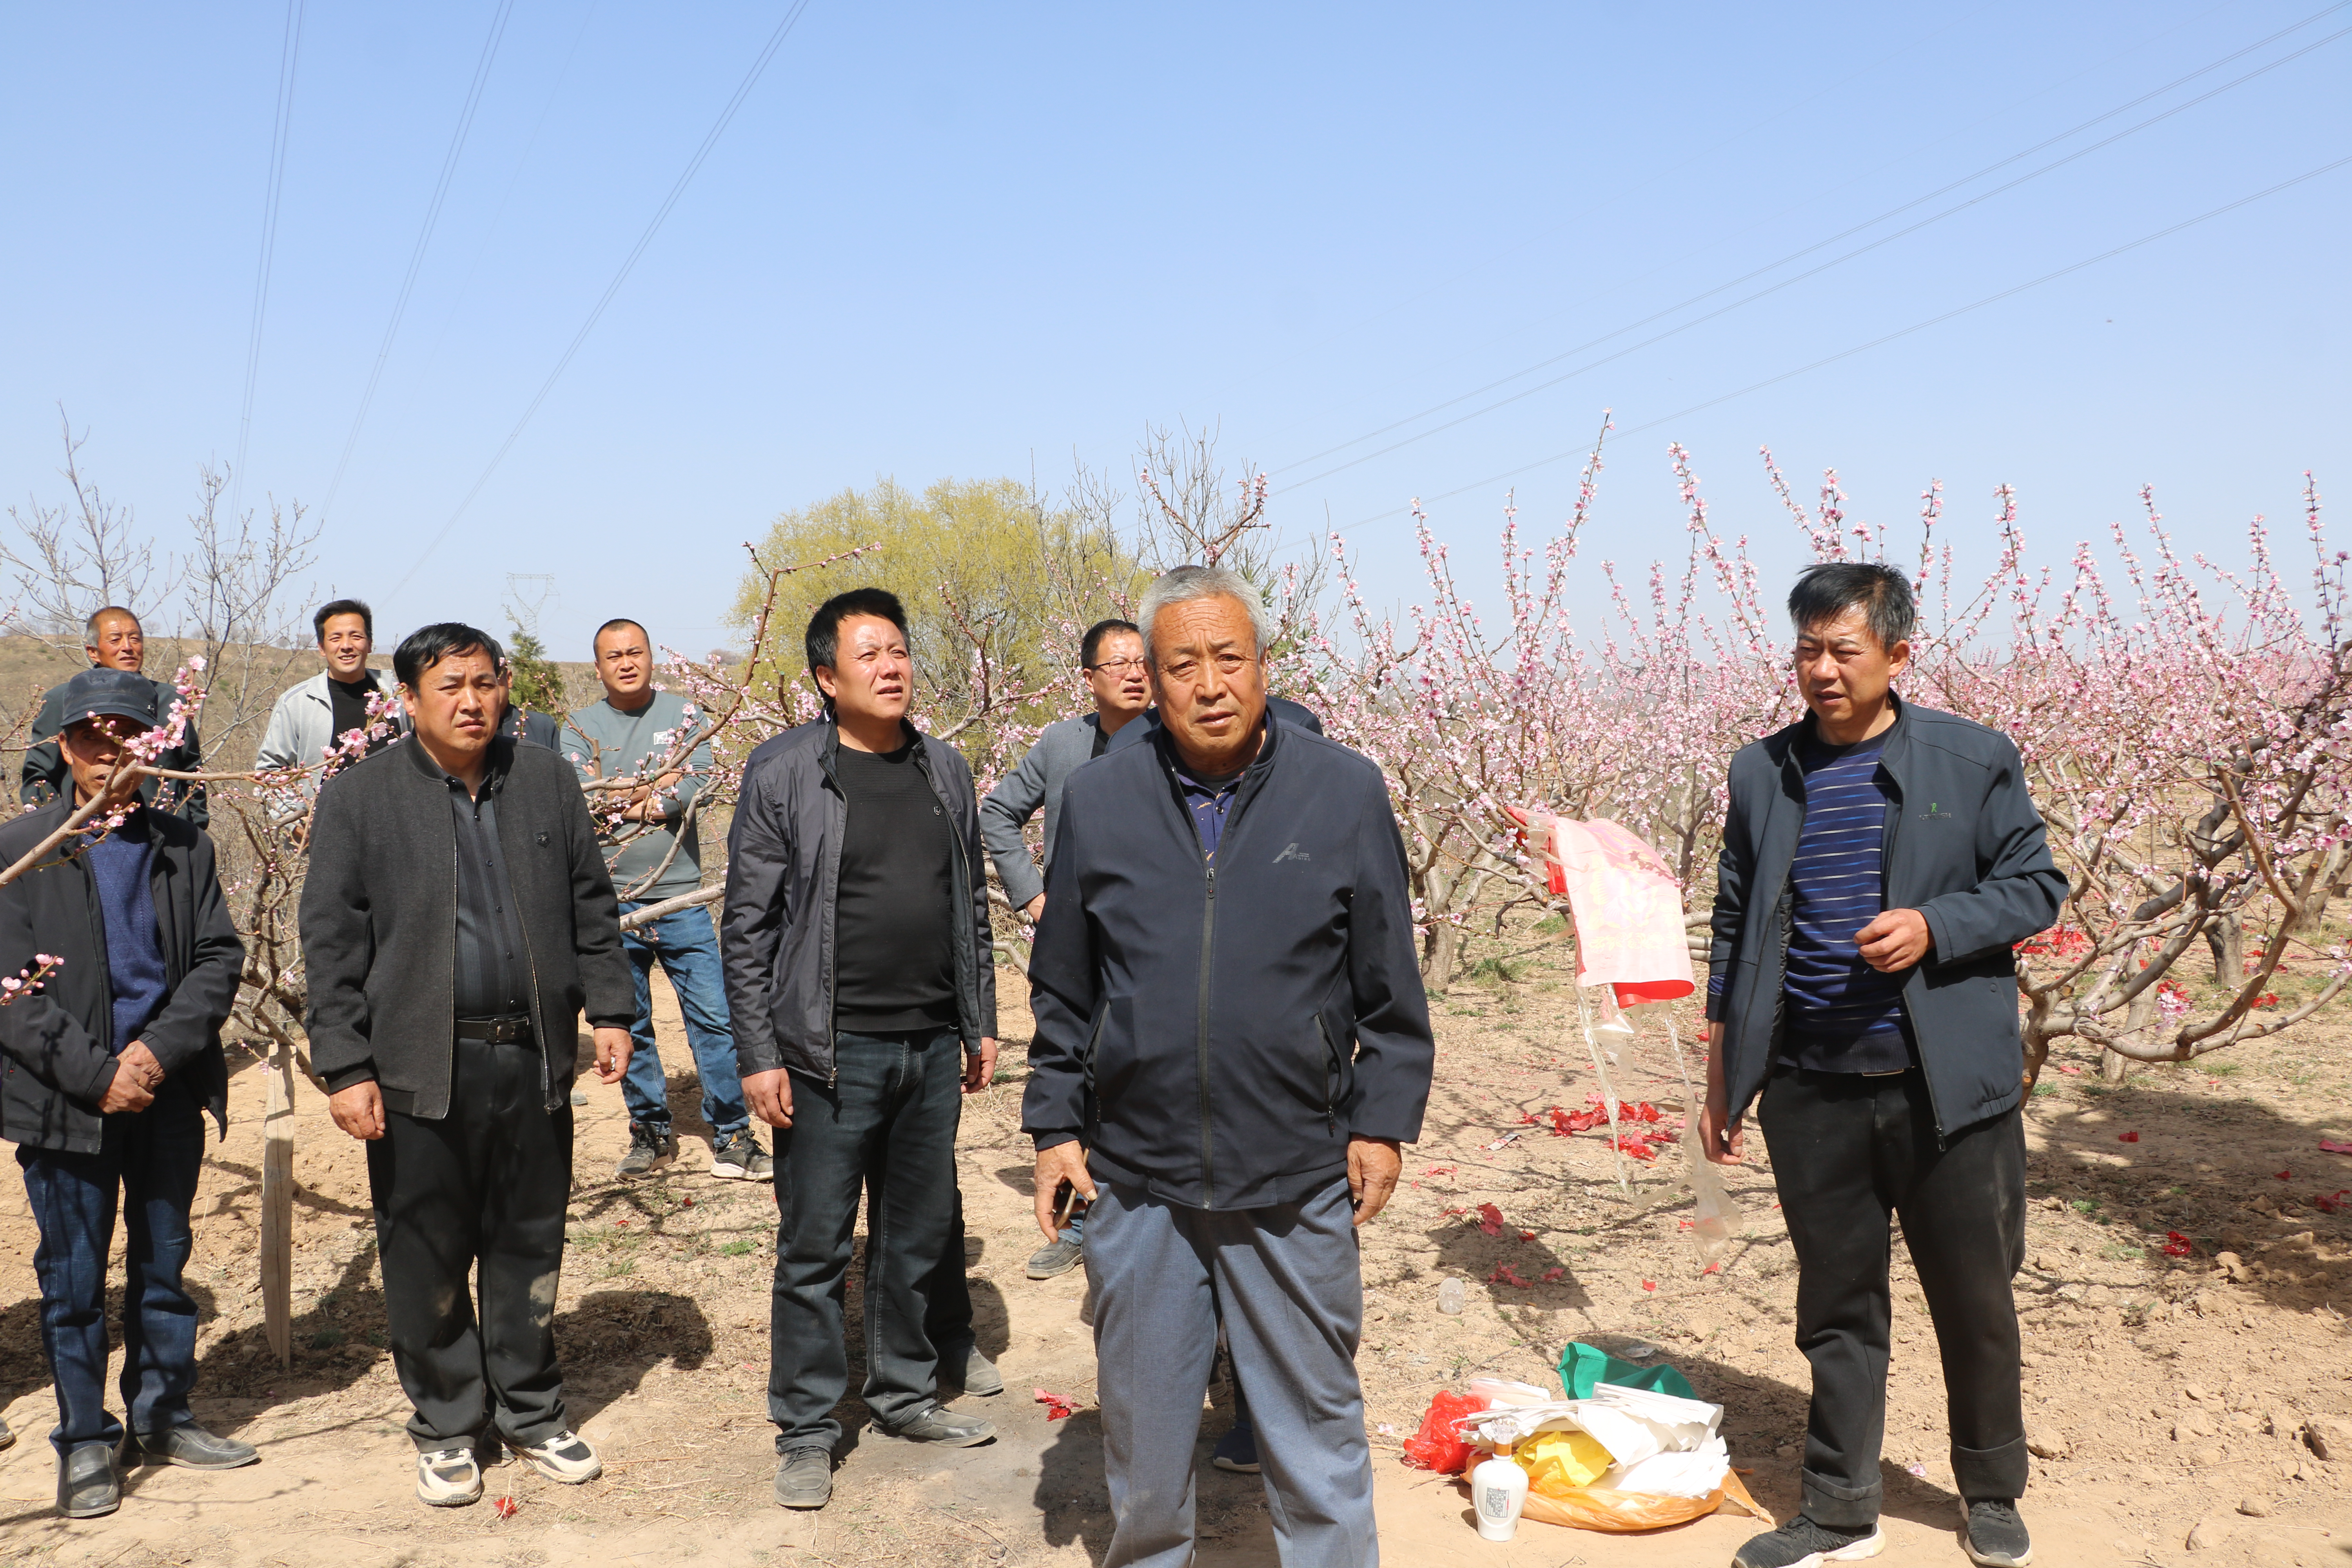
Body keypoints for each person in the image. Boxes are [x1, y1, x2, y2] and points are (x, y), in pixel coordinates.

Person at [1024, 564, 1434, 1568]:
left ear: (1262, 666)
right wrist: (1054, 1125)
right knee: (1146, 1439)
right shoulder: (1099, 797)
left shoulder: (1341, 790)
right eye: (1182, 664)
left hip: (1294, 1169)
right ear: (1147, 682)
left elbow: (1390, 982)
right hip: (1140, 1176)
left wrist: (1380, 1120)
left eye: (1229, 658)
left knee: (1314, 1434)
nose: (1210, 683)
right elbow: (1065, 984)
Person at [1700, 563, 2067, 1568]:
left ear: (1898, 655)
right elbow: (1735, 926)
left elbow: (2037, 886)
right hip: (1812, 1086)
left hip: (1943, 1090)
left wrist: (1936, 925)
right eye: (1806, 650)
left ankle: (1989, 1486)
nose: (1820, 670)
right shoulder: (1760, 770)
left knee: (1976, 1297)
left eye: (1842, 651)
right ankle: (1838, 1506)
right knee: (1837, 1307)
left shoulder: (1971, 758)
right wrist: (1723, 1077)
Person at [301, 623, 636, 1510]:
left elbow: (591, 906)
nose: (471, 700)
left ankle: (530, 1407)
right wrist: (343, 1062)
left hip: (529, 1056)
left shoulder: (547, 781)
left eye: (485, 682)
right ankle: (449, 1421)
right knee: (428, 1251)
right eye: (450, 685)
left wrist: (611, 1008)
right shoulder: (362, 798)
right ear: (408, 699)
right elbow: (329, 943)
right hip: (420, 1064)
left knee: (529, 1240)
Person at [723, 588, 1003, 1513]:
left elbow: (970, 907)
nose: (892, 666)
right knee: (814, 1246)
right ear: (825, 677)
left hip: (929, 1046)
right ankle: (807, 1428)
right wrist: (757, 1053)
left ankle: (903, 1395)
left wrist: (978, 1017)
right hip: (824, 1053)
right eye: (869, 653)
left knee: (918, 1236)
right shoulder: (784, 772)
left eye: (900, 649)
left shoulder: (946, 770)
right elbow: (749, 927)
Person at [0, 668, 251, 1517]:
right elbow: (12, 991)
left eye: (127, 743)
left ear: (154, 750)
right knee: (73, 1281)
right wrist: (97, 1074)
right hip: (65, 1100)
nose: (108, 758)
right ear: (65, 746)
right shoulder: (23, 848)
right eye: (91, 741)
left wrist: (151, 1056)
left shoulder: (185, 845)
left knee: (162, 1263)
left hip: (167, 1090)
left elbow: (219, 958)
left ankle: (163, 1411)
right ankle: (83, 1440)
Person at [976, 617, 1151, 1281]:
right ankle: (1079, 1220)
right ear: (1089, 678)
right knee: (1074, 1068)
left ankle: (1126, 1216)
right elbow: (996, 812)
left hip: (1148, 948)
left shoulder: (1174, 744)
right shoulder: (1060, 744)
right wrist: (1032, 895)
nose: (1135, 674)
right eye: (1119, 664)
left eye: (1144, 662)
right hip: (1076, 947)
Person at [562, 618, 766, 1182]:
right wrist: (652, 792)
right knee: (630, 1024)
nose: (626, 663)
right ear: (598, 667)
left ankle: (733, 1134)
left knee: (714, 1018)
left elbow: (692, 784)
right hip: (613, 903)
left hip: (682, 899)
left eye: (636, 652)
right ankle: (648, 1131)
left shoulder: (684, 715)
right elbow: (586, 801)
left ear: (652, 657)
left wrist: (630, 795)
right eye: (614, 656)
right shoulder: (579, 727)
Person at [22, 607, 206, 827]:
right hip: (82, 830)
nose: (127, 648)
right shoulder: (62, 700)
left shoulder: (171, 701)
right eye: (115, 640)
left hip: (163, 831)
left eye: (135, 639)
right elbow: (40, 774)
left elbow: (192, 770)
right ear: (93, 651)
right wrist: (51, 831)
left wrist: (195, 829)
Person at [254, 599, 405, 808]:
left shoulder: (397, 695)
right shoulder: (298, 702)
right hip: (320, 829)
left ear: (370, 644)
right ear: (322, 648)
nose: (346, 646)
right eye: (335, 638)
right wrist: (296, 823)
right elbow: (269, 771)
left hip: (394, 826)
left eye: (356, 636)